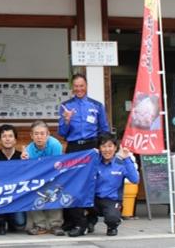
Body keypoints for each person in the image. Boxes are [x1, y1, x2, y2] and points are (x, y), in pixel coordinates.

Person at [58, 74, 110, 231]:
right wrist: (66, 120)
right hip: (74, 148)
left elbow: (104, 130)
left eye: (81, 85)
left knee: (91, 183)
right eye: (76, 86)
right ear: (72, 87)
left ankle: (90, 217)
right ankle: (72, 220)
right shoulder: (65, 106)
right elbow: (62, 132)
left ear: (86, 86)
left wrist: (103, 149)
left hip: (91, 147)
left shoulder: (96, 105)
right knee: (72, 183)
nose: (79, 89)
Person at [68, 133, 139, 237]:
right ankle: (82, 226)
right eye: (103, 146)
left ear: (115, 148)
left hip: (111, 200)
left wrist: (127, 158)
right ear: (99, 148)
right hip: (93, 198)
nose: (107, 149)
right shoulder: (94, 161)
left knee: (112, 218)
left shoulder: (121, 163)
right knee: (72, 198)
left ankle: (112, 226)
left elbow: (135, 180)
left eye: (110, 146)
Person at [21, 120, 65, 236]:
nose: (39, 137)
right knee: (31, 192)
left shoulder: (55, 145)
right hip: (37, 178)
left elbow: (57, 165)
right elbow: (28, 170)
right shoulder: (29, 149)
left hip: (53, 175)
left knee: (55, 192)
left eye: (42, 133)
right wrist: (24, 160)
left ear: (48, 134)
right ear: (31, 136)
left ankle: (55, 225)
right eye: (36, 134)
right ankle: (40, 225)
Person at [0, 124, 26, 235]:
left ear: (15, 140)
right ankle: (0, 223)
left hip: (17, 196)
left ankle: (11, 219)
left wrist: (26, 163)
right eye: (4, 136)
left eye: (10, 136)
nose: (8, 139)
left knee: (20, 224)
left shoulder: (22, 156)